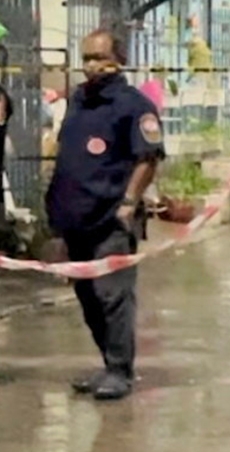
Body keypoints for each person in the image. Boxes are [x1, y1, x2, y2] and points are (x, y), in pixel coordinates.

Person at [46, 29, 165, 400]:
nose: (91, 66)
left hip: (110, 219)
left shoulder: (134, 106)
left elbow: (148, 158)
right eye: (86, 58)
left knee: (113, 297)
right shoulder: (79, 102)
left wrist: (129, 203)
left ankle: (120, 371)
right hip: (75, 219)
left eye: (99, 57)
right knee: (88, 298)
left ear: (119, 60)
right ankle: (107, 363)